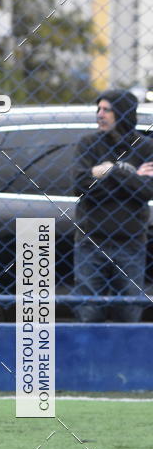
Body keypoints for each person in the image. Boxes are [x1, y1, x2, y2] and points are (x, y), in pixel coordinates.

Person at [74, 89, 153, 322]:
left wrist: (110, 170)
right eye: (98, 109)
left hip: (130, 244)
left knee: (128, 312)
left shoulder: (146, 147)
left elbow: (147, 191)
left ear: (123, 113)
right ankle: (88, 359)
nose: (100, 114)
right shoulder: (88, 144)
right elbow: (81, 187)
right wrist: (131, 176)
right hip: (91, 242)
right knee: (88, 312)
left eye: (106, 110)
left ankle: (126, 360)